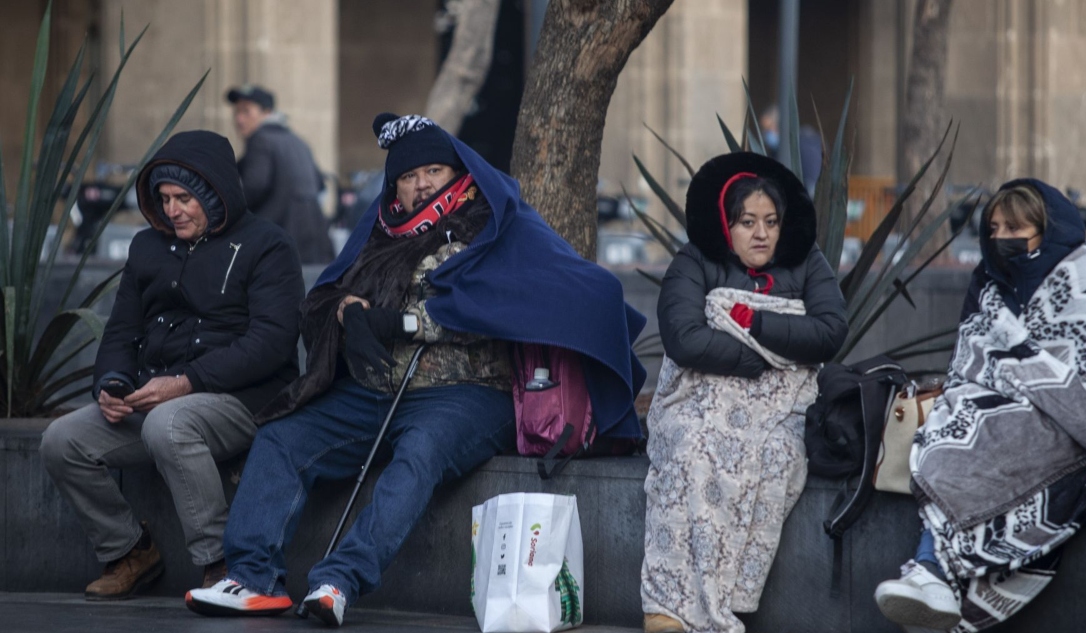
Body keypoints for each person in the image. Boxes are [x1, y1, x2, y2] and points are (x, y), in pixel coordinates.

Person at [184, 114, 646, 626]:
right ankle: (252, 578)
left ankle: (339, 580)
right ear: (394, 188)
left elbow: (510, 304)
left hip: (469, 393)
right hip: (376, 390)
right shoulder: (380, 233)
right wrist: (348, 314)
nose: (422, 184)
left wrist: (402, 322)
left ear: (458, 174)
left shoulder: (496, 225)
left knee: (420, 452)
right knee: (282, 438)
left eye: (434, 171)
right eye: (408, 176)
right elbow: (328, 294)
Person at [40, 130, 305, 600]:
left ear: (215, 194)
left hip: (245, 399)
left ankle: (222, 565)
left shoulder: (269, 245)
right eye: (164, 199)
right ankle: (129, 551)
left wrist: (188, 381)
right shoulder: (147, 246)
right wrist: (112, 383)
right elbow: (121, 329)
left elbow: (272, 342)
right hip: (157, 395)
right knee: (62, 439)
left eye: (184, 198)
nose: (172, 210)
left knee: (169, 424)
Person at [873, 180, 1086, 632]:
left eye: (1015, 228)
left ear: (1046, 230)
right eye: (995, 229)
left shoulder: (1085, 278)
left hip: (1070, 417)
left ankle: (933, 571)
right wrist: (1000, 383)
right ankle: (933, 575)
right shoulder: (987, 283)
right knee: (947, 434)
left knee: (995, 444)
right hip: (992, 405)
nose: (1002, 238)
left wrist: (1024, 373)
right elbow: (970, 358)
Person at [641, 152, 848, 633]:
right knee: (692, 449)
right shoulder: (694, 261)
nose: (761, 234)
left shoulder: (807, 261)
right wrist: (755, 357)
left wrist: (753, 322)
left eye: (771, 222)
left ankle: (721, 600)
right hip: (698, 397)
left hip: (781, 406)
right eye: (747, 222)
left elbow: (829, 330)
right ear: (726, 224)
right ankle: (666, 608)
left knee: (776, 457)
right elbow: (684, 339)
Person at [226, 84, 334, 263]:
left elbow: (254, 187)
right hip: (313, 245)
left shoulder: (260, 140)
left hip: (278, 244)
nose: (239, 119)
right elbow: (320, 186)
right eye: (236, 112)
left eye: (246, 111)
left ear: (267, 112)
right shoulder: (298, 141)